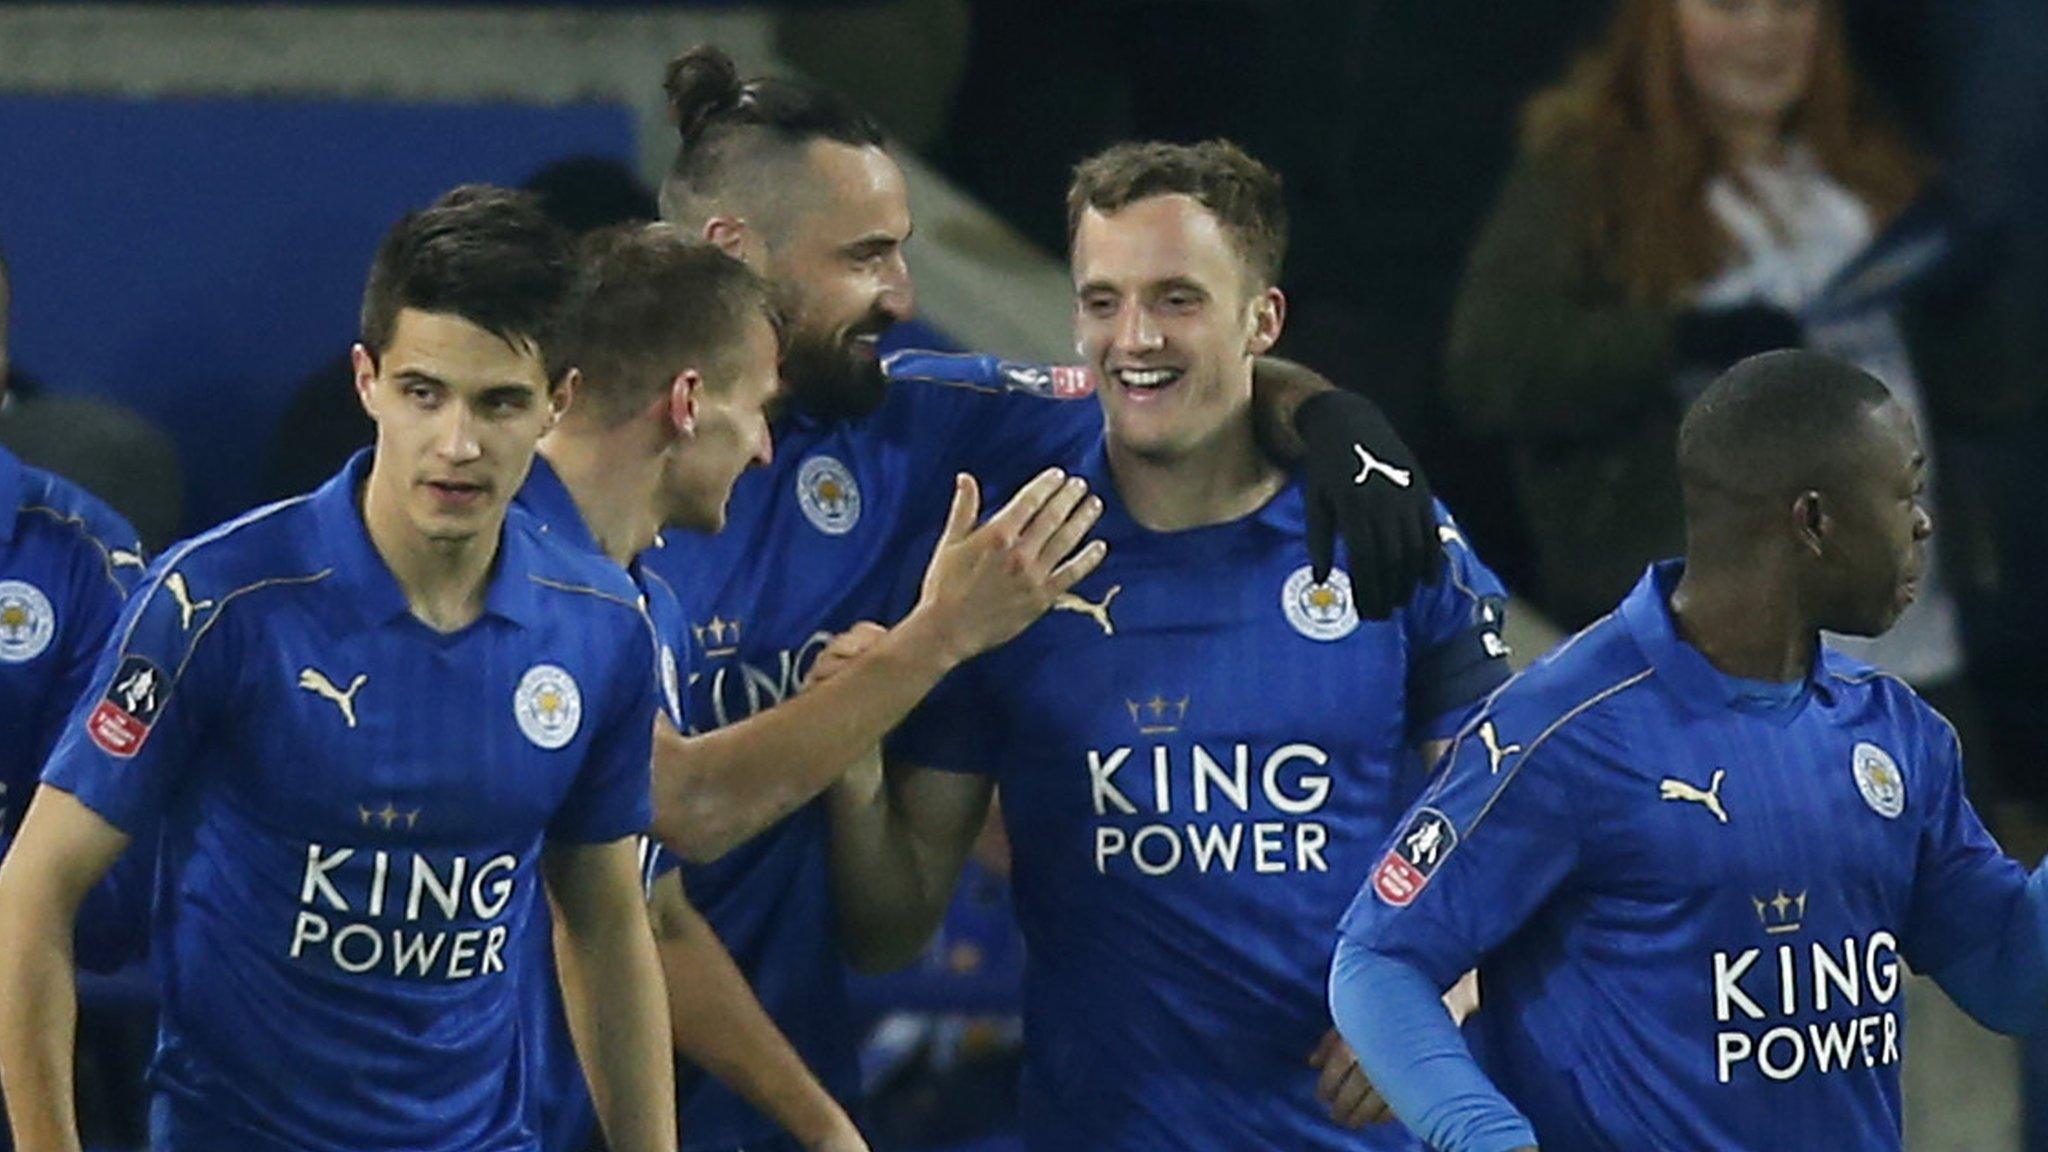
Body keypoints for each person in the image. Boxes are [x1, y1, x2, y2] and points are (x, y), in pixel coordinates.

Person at [637, 45, 1448, 1152]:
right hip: (549, 1098)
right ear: (731, 253)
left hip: (785, 1092)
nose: (903, 296)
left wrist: (1333, 422)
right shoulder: (567, 509)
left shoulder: (918, 428)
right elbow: (672, 824)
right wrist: (928, 645)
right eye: (867, 256)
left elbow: (1164, 378)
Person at [825, 139, 1512, 1151]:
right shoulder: (1014, 562)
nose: (1132, 338)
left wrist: (1446, 986)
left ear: (1261, 319)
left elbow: (1524, 811)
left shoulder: (1381, 531)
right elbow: (890, 932)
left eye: (1177, 299)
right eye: (1101, 301)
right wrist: (848, 752)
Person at [0, 186, 676, 1152]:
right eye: (423, 392)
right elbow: (32, 889)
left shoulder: (604, 628)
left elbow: (607, 925)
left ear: (557, 403)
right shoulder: (216, 603)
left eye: (500, 403)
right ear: (367, 381)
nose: (457, 444)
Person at [1333, 350, 2048, 1151]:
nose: (1924, 523)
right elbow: (1377, 963)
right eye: (1908, 492)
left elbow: (2011, 975)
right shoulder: (1566, 726)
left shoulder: (1897, 733)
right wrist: (1488, 1136)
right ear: (1814, 521)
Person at [522, 223, 1106, 1152]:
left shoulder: (636, 597)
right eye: (757, 410)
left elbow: (646, 918)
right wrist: (940, 634)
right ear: (686, 402)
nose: (764, 450)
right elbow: (690, 802)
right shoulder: (503, 574)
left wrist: (822, 1129)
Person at [1442, 0, 2004, 693]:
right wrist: (1681, 340)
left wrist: (1979, 315)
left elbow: (1987, 400)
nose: (1765, 30)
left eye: (1791, 5)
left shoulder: (1871, 166)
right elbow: (1493, 367)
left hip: (1913, 660)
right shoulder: (1585, 176)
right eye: (1730, 6)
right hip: (1698, 671)